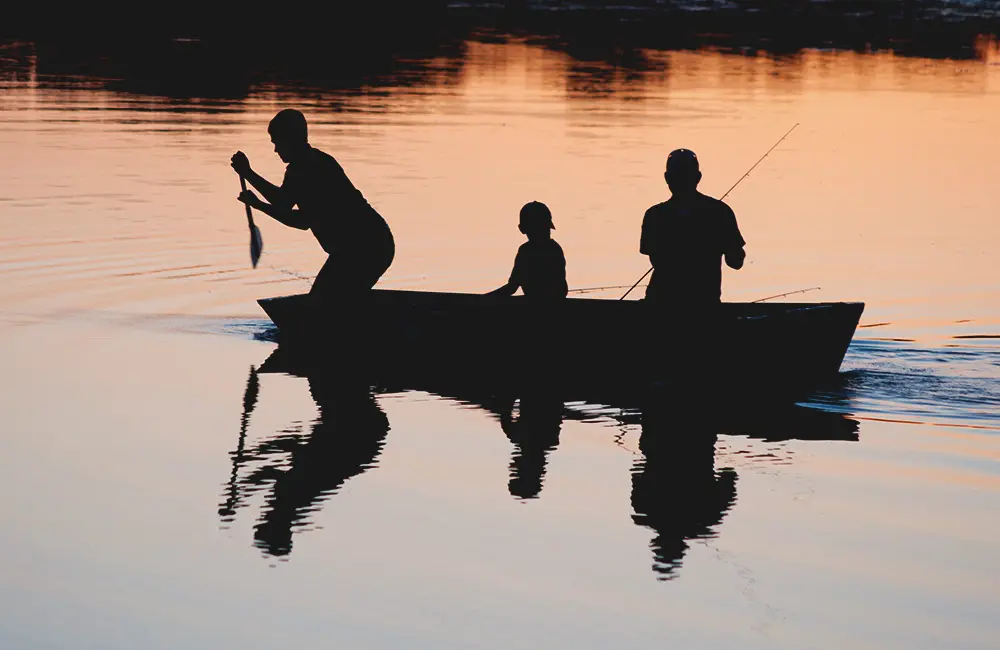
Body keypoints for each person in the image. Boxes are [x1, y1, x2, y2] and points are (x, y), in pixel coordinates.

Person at [230, 109, 394, 299]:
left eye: (277, 143)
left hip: (364, 247)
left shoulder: (306, 168)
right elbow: (301, 220)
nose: (275, 150)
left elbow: (282, 205)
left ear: (290, 139)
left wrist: (250, 180)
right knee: (333, 300)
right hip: (367, 246)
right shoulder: (310, 163)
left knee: (324, 303)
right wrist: (257, 198)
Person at [639, 149, 746, 306]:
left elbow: (656, 260)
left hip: (659, 303)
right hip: (705, 303)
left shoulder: (655, 215)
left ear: (667, 178)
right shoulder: (720, 211)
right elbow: (736, 262)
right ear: (698, 177)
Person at [487, 201, 568, 299]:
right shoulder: (555, 249)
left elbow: (512, 287)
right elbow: (562, 290)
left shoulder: (525, 251)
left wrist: (485, 299)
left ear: (522, 229)